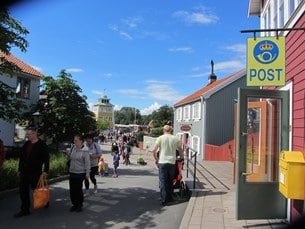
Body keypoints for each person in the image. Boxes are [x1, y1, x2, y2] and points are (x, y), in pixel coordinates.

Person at [14, 127, 49, 217]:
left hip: (35, 172)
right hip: (24, 171)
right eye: (27, 134)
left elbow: (46, 159)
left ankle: (45, 201)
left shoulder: (42, 145)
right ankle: (25, 209)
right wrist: (19, 169)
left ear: (34, 134)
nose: (27, 135)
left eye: (29, 134)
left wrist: (45, 171)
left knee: (36, 189)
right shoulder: (26, 144)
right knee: (23, 191)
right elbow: (22, 158)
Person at [152, 125, 183, 206]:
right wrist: (181, 158)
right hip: (172, 162)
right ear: (171, 130)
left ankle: (164, 200)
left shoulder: (160, 138)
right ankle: (170, 198)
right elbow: (180, 149)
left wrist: (156, 159)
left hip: (162, 162)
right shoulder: (175, 138)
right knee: (170, 181)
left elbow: (154, 150)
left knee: (163, 181)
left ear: (163, 130)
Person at [67, 134, 90, 212]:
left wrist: (87, 174)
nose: (74, 142)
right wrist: (68, 155)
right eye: (74, 140)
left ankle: (79, 204)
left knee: (78, 189)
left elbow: (87, 163)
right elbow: (71, 158)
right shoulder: (73, 147)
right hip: (72, 171)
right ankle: (74, 204)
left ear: (81, 141)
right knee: (72, 189)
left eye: (76, 140)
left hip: (80, 173)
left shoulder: (85, 150)